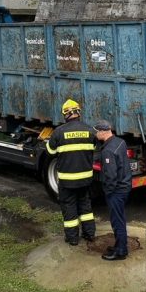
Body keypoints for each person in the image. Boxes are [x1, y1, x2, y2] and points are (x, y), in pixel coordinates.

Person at [46, 99, 97, 246]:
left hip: (67, 181)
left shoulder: (58, 132)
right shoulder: (90, 131)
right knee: (85, 207)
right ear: (78, 112)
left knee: (69, 208)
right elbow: (93, 149)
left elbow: (50, 152)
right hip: (85, 179)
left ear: (65, 114)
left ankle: (73, 238)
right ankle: (89, 234)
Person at [94, 120, 130, 261]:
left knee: (117, 221)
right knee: (120, 218)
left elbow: (111, 176)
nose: (96, 134)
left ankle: (121, 251)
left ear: (103, 132)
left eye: (96, 131)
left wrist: (108, 193)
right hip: (125, 186)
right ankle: (119, 245)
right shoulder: (120, 142)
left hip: (117, 191)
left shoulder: (108, 151)